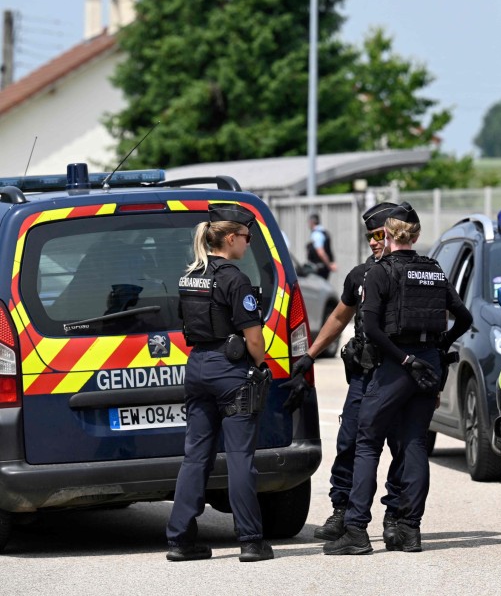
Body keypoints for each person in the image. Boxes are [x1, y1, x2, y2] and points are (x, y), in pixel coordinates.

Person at [324, 202, 473, 555]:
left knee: (367, 444)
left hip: (394, 366)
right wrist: (436, 351)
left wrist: (404, 359)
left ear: (388, 235)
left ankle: (357, 530)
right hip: (428, 368)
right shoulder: (434, 271)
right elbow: (463, 319)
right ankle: (409, 530)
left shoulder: (380, 272)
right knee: (414, 444)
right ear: (417, 235)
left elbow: (372, 329)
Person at [283, 202, 407, 545]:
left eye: (379, 235)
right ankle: (343, 511)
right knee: (349, 443)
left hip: (398, 377)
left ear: (395, 233)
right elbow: (339, 316)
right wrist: (309, 354)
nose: (373, 242)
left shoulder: (412, 272)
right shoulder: (362, 274)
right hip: (365, 375)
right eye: (370, 236)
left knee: (402, 447)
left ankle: (396, 516)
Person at [166, 203, 274, 562]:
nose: (248, 242)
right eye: (246, 236)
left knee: (195, 457)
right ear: (231, 238)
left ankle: (180, 540)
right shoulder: (235, 278)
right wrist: (259, 366)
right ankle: (251, 540)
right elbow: (254, 339)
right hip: (229, 371)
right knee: (240, 457)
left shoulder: (189, 275)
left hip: (197, 367)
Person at [307, 213, 336, 279]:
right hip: (323, 268)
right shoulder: (323, 232)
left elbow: (320, 252)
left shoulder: (317, 234)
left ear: (312, 222)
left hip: (319, 269)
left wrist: (329, 265)